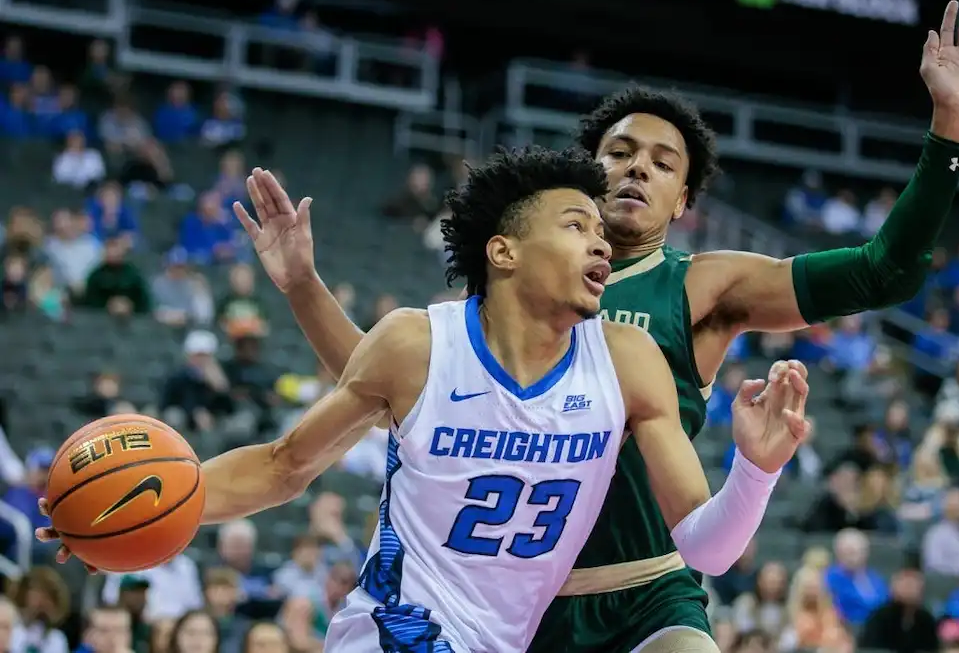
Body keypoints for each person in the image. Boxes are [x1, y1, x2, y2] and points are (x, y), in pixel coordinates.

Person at [221, 0, 959, 653]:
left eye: (663, 164)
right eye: (620, 152)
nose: (637, 168)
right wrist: (302, 286)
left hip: (648, 591)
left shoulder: (703, 285)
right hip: (514, 606)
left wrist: (950, 132)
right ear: (585, 174)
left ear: (684, 203)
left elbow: (884, 270)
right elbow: (387, 394)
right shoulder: (514, 284)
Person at [39, 148, 810, 653]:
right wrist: (127, 516)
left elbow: (705, 551)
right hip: (391, 634)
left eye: (601, 232)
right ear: (503, 251)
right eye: (577, 225)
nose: (603, 242)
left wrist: (756, 470)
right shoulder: (417, 344)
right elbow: (282, 468)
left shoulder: (629, 361)